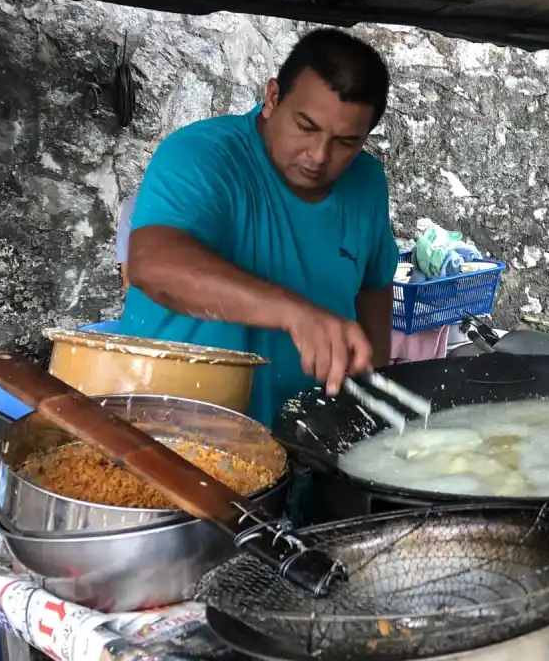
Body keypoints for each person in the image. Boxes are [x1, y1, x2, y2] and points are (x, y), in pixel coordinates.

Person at [119, 29, 399, 426]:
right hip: (175, 432)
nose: (319, 155)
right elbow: (152, 264)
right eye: (306, 126)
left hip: (307, 435)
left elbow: (375, 282)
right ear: (272, 98)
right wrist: (295, 313)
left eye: (345, 143)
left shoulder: (367, 181)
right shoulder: (203, 155)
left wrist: (371, 386)